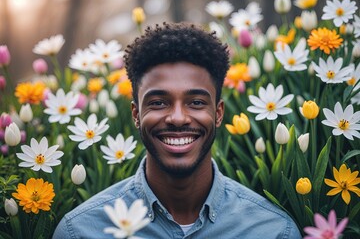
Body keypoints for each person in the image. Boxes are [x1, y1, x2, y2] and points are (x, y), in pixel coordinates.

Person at [53, 22, 302, 239]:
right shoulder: (81, 232)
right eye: (159, 102)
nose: (178, 118)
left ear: (218, 113)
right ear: (136, 115)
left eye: (196, 102)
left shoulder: (274, 232)